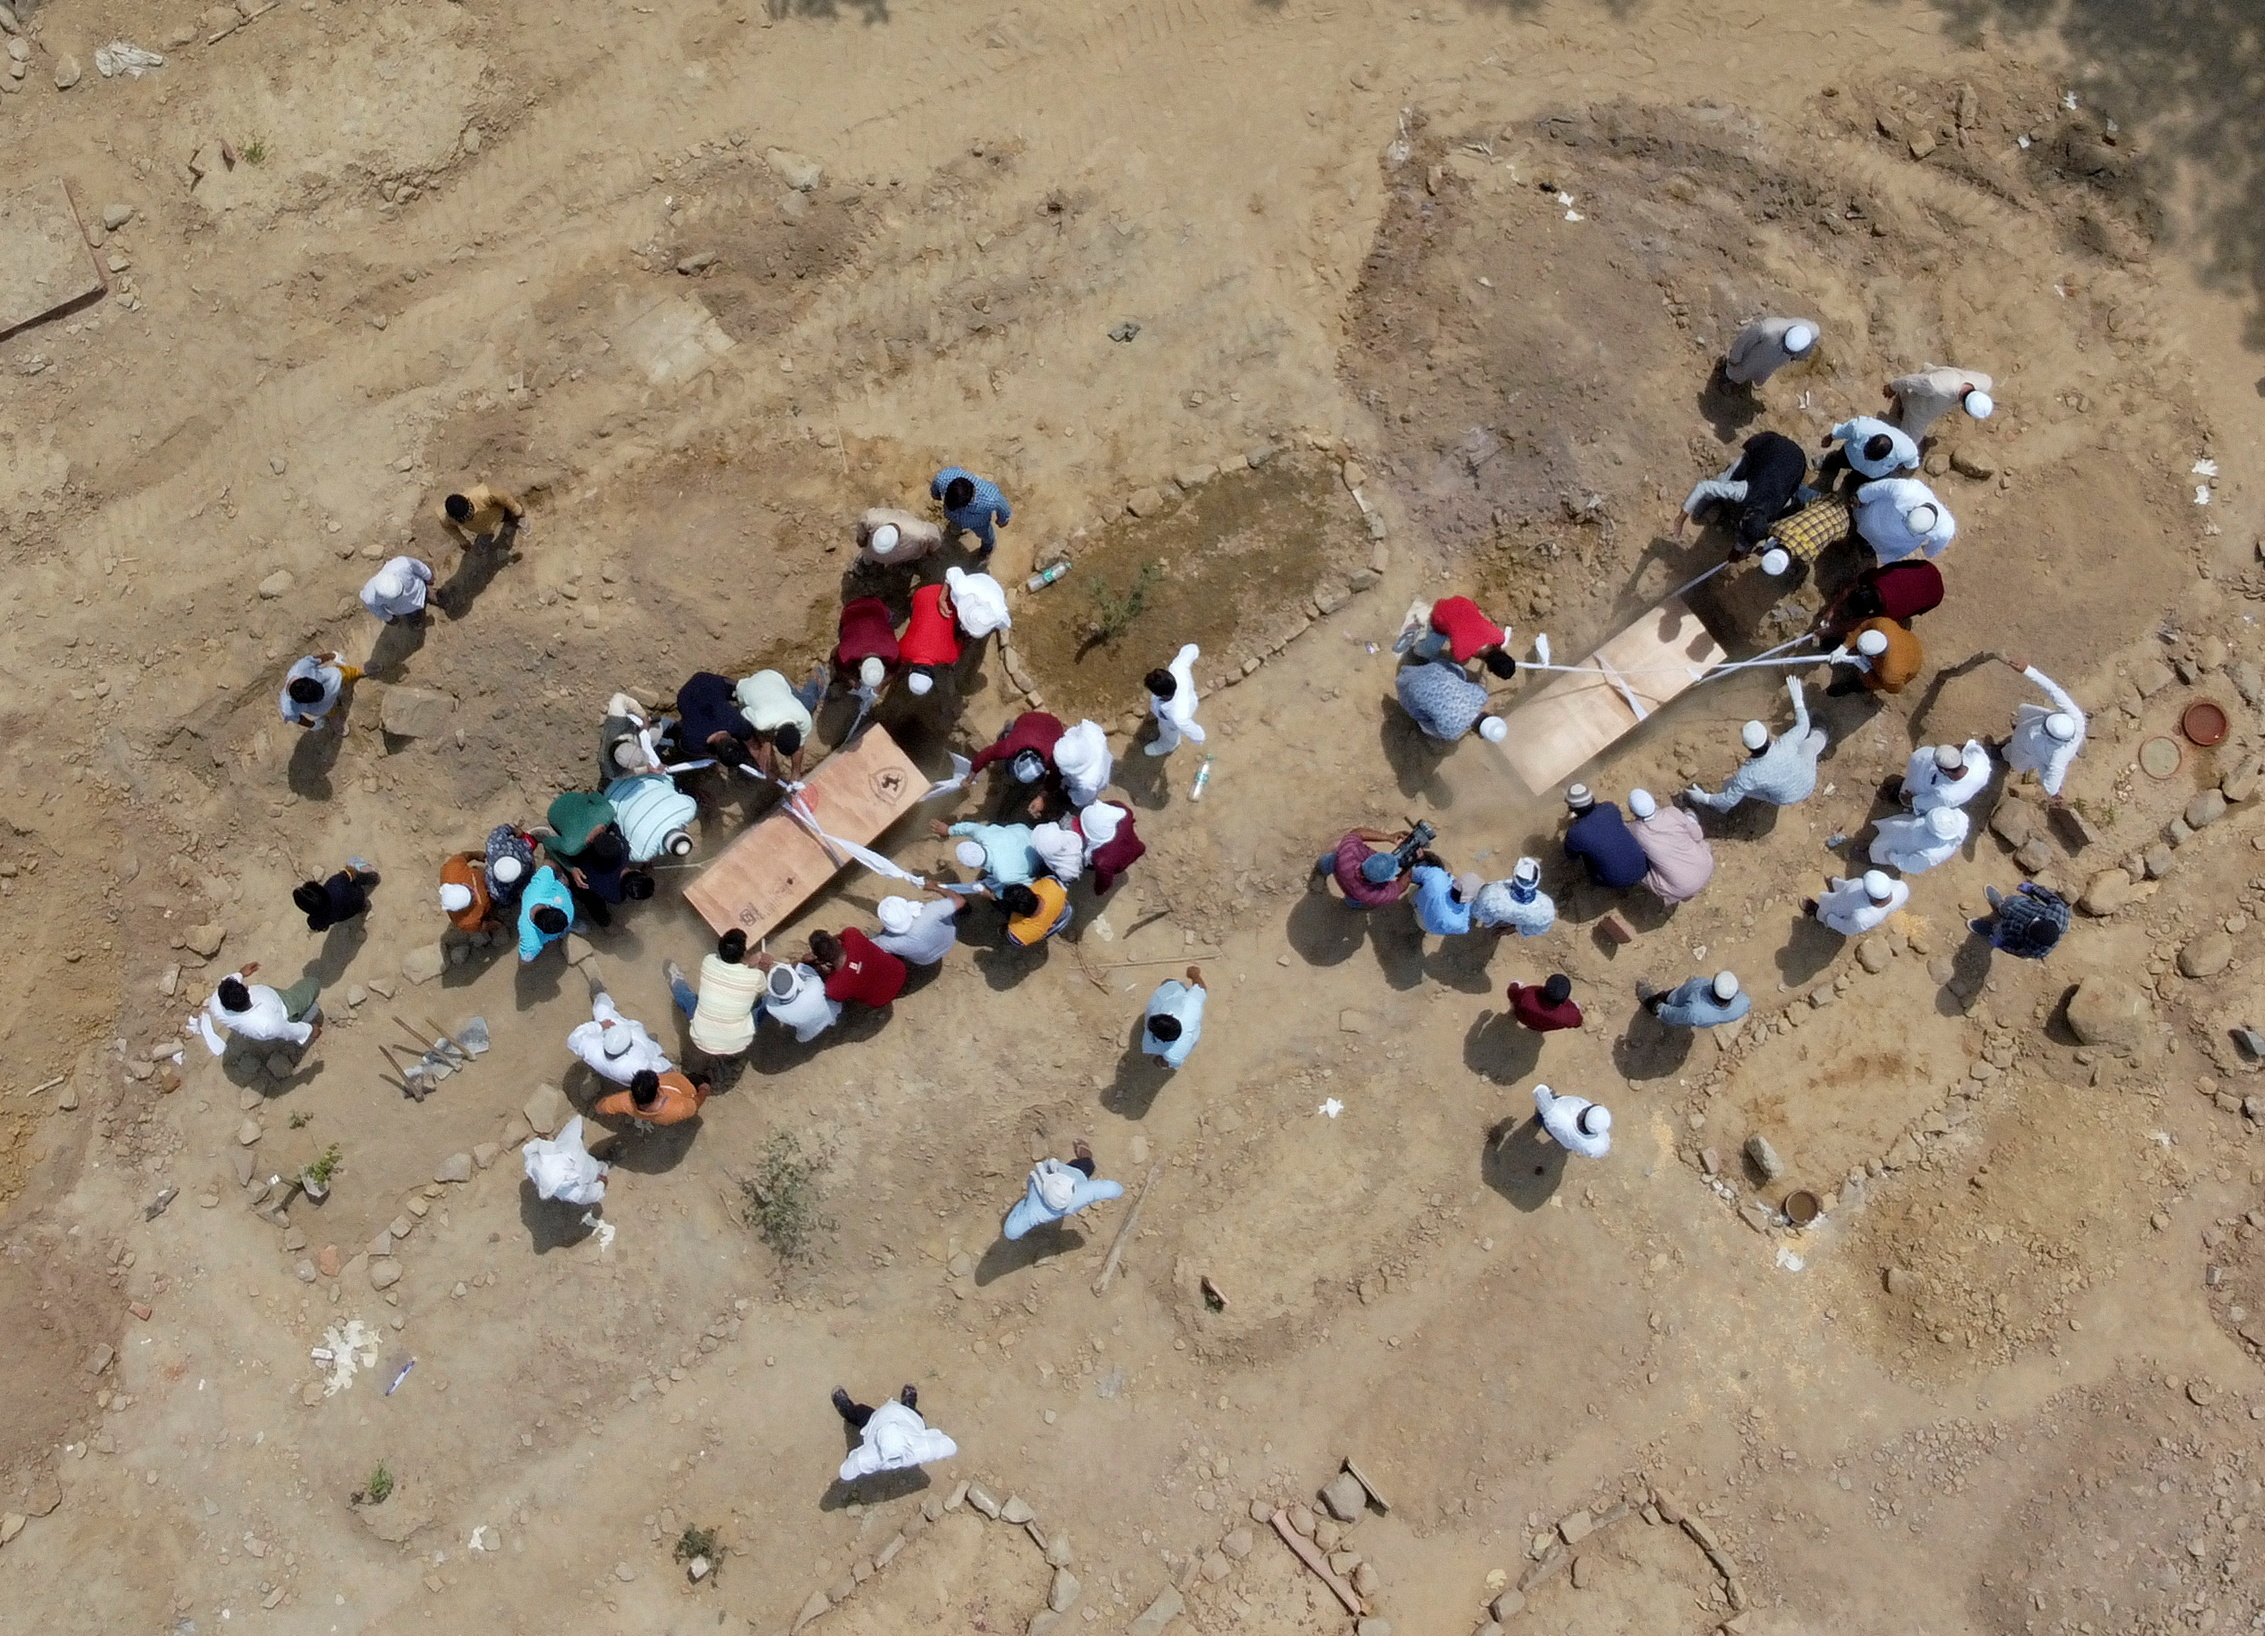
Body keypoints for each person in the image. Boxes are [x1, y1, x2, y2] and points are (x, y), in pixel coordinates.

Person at [1685, 680, 1826, 812]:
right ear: (1767, 736)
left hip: (1787, 797)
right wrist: (1798, 701)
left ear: (1746, 746)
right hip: (1808, 781)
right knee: (1810, 744)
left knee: (1730, 785)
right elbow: (1803, 725)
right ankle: (1823, 731)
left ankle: (1717, 810)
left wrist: (1704, 798)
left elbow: (1728, 799)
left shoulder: (1747, 775)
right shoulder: (1785, 744)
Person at [1676, 429, 1809, 551]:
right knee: (1722, 482)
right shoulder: (1745, 492)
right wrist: (1681, 517)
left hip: (1797, 462)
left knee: (1789, 490)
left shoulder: (1778, 507)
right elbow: (1703, 487)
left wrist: (1740, 550)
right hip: (1769, 445)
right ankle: (1709, 500)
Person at [665, 930, 766, 1062]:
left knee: (688, 998)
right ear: (744, 954)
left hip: (700, 1037)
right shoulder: (756, 976)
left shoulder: (709, 961)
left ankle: (675, 979)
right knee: (767, 1002)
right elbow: (763, 987)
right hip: (738, 1042)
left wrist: (746, 964)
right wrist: (753, 965)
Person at [1998, 656, 2086, 799]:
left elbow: (2051, 788)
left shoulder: (2059, 757)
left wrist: (2041, 765)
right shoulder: (2076, 719)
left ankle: (2001, 754)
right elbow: (2054, 691)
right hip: (2031, 726)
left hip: (2029, 750)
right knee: (2022, 724)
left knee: (2013, 757)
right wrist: (2028, 670)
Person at [567, 970, 673, 1084]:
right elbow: (661, 1070)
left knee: (601, 1010)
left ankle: (599, 994)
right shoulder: (639, 1065)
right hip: (641, 1057)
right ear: (628, 1048)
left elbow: (573, 1039)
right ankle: (652, 1043)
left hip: (610, 1067)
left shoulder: (592, 1048)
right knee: (648, 1044)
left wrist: (600, 1025)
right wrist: (662, 1059)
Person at [833, 1384, 957, 1480]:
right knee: (912, 1413)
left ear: (878, 1443)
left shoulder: (870, 1457)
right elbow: (950, 1446)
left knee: (860, 1413)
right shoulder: (921, 1449)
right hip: (906, 1418)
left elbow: (846, 1473)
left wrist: (859, 1453)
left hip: (876, 1421)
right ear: (907, 1440)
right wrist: (927, 1436)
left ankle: (847, 1409)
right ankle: (908, 1404)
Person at [1004, 1140, 1125, 1237]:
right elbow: (1114, 1189)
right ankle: (1084, 1152)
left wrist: (1024, 1204)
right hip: (1077, 1172)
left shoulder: (1034, 1209)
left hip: (1035, 1189)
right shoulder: (1079, 1195)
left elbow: (1011, 1232)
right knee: (1088, 1164)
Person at [1812, 558, 1944, 645]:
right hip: (1925, 569)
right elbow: (1852, 587)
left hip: (1932, 595)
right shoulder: (1878, 578)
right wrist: (1832, 610)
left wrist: (1833, 630)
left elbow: (1863, 623)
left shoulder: (1889, 612)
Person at [199, 964, 321, 1055]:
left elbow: (226, 985)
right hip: (286, 1007)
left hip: (273, 1002)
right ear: (247, 992)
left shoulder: (217, 1002)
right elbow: (287, 1030)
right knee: (312, 984)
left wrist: (240, 974)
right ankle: (301, 1016)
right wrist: (308, 1030)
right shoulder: (266, 1023)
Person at [1625, 788, 1712, 905]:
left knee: (1639, 870)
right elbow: (1698, 836)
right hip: (1705, 866)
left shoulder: (1635, 831)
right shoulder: (1672, 813)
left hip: (1681, 888)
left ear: (1632, 810)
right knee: (1690, 819)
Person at [736, 668, 823, 781]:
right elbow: (744, 712)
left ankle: (817, 679)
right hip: (747, 686)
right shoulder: (761, 722)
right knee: (746, 728)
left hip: (774, 677)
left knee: (807, 703)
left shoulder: (804, 717)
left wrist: (795, 774)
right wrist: (764, 743)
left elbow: (799, 747)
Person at [1562, 784, 1647, 889]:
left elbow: (1571, 856)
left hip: (1617, 881)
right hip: (1643, 867)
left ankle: (1598, 880)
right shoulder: (1610, 808)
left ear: (1571, 808)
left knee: (1586, 853)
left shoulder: (1575, 833)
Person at [1411, 596, 1519, 677]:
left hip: (1462, 603)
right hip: (1440, 613)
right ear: (1490, 669)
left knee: (1456, 631)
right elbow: (1455, 652)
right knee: (1424, 652)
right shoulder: (1461, 653)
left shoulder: (1499, 637)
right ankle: (1415, 642)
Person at [1853, 477, 1955, 562]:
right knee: (1864, 527)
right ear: (1913, 508)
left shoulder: (1945, 529)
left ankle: (1866, 546)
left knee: (1875, 544)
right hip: (1877, 517)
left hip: (1894, 541)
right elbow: (1883, 487)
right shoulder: (1910, 491)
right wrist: (1861, 496)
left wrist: (1929, 551)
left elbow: (1932, 550)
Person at [1885, 364, 1994, 441]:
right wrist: (1892, 387)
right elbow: (1910, 381)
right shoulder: (1938, 387)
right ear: (1965, 408)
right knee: (1908, 443)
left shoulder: (1985, 383)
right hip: (1918, 409)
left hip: (1937, 378)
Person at [1395, 657, 1491, 742]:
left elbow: (1478, 688)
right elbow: (1430, 727)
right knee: (1431, 727)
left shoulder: (1481, 696)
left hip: (1431, 670)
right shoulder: (1452, 733)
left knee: (1460, 674)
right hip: (1407, 691)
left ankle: (1427, 660)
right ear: (1476, 732)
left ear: (1489, 714)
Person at [810, 927, 908, 1009]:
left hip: (881, 999)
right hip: (899, 971)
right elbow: (841, 936)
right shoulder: (852, 935)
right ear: (838, 942)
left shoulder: (835, 988)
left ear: (821, 960)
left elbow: (834, 995)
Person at [1318, 827, 1416, 909]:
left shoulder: (1349, 852)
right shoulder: (1374, 895)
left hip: (1340, 866)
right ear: (1384, 880)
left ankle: (1322, 868)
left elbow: (1358, 832)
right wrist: (1411, 862)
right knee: (1355, 901)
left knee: (1331, 859)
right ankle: (1352, 905)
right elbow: (1400, 887)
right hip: (1355, 894)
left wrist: (1388, 837)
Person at [1970, 880, 2069, 959]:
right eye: (2034, 922)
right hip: (2021, 906)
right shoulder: (2060, 911)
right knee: (2008, 903)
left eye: (2030, 929)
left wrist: (2002, 944)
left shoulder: (2037, 950)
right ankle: (2000, 904)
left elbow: (2018, 951)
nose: (2029, 924)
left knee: (1999, 931)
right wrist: (2032, 888)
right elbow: (2049, 896)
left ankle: (1992, 930)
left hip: (2010, 929)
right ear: (2046, 919)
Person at [672, 671, 756, 764]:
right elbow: (753, 745)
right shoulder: (693, 742)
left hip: (704, 684)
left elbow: (752, 744)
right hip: (694, 690)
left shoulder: (736, 723)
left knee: (739, 691)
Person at [755, 956, 842, 1044]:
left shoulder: (775, 1010)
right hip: (829, 1015)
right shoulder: (814, 986)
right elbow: (802, 968)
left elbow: (770, 1001)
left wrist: (768, 970)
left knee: (801, 1038)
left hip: (808, 1032)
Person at [898, 580, 964, 696]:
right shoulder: (903, 652)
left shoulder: (949, 656)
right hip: (922, 594)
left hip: (951, 598)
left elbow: (960, 644)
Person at [1826, 621, 1923, 697]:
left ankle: (1853, 686)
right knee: (1851, 643)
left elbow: (1893, 689)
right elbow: (1864, 626)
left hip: (1910, 663)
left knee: (1866, 681)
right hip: (1909, 641)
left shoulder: (1890, 673)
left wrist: (1866, 670)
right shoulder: (1883, 625)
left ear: (1874, 657)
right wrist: (1845, 646)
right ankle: (1837, 644)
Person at [593, 1066, 711, 1128]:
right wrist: (704, 1089)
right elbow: (696, 1103)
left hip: (676, 1083)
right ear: (659, 1090)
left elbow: (601, 1107)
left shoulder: (626, 1101)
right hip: (688, 1087)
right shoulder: (680, 1108)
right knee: (701, 1079)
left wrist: (596, 1109)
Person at [931, 466, 1012, 555]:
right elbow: (935, 490)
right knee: (955, 525)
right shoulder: (943, 478)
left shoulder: (990, 498)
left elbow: (1003, 507)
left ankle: (987, 547)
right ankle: (956, 530)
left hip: (979, 524)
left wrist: (1003, 519)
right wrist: (1002, 521)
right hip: (954, 517)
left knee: (986, 536)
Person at [1868, 803, 1967, 875]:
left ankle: (1869, 856)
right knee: (1892, 826)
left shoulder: (1931, 854)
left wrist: (1892, 856)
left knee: (1879, 849)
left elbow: (1910, 865)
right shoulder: (1959, 817)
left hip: (1902, 847)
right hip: (1906, 825)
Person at [967, 710, 1066, 781]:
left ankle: (1011, 727)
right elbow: (987, 754)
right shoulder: (1009, 746)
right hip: (1036, 720)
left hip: (1050, 724)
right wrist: (972, 773)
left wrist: (1041, 797)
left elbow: (1055, 779)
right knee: (1010, 728)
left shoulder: (1053, 760)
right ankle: (1010, 727)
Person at [1145, 644, 1206, 756]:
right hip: (1189, 701)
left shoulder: (1178, 716)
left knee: (1169, 733)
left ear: (1161, 695)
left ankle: (1168, 745)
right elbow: (1192, 649)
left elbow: (1196, 733)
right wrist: (1194, 650)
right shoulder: (1178, 667)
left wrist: (1199, 739)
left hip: (1172, 723)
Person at [874, 889, 962, 966]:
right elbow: (959, 900)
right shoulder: (932, 911)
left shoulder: (889, 942)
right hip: (948, 943)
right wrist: (937, 888)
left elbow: (870, 946)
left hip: (925, 960)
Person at [938, 819, 1041, 885]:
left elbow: (1030, 884)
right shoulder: (983, 834)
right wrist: (949, 829)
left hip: (1040, 859)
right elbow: (970, 828)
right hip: (1030, 832)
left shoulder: (1004, 876)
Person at [279, 652, 363, 732]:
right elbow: (298, 718)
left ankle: (357, 671)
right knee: (329, 710)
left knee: (346, 673)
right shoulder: (288, 709)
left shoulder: (302, 667)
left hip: (333, 678)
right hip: (324, 708)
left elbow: (319, 659)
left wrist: (333, 656)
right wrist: (312, 725)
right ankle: (333, 714)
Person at [1818, 417, 1919, 483]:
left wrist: (1902, 472)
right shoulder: (1861, 427)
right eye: (1866, 453)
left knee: (1857, 482)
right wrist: (1831, 437)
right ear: (1870, 439)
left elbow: (1912, 463)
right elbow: (1843, 430)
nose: (1866, 458)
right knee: (1836, 460)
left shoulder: (1907, 450)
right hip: (1848, 456)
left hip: (1871, 475)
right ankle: (1827, 462)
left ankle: (1851, 484)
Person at [1723, 316, 1819, 386]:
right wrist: (1734, 358)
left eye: (1790, 351)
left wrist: (1799, 357)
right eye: (1786, 348)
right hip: (1759, 351)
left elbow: (1804, 352)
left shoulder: (1812, 332)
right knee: (1743, 369)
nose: (1786, 351)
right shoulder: (1767, 330)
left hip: (1776, 360)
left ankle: (1754, 380)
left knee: (1765, 372)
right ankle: (1729, 378)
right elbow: (1743, 342)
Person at [1142, 967, 1206, 1068]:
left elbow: (1165, 1062)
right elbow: (1201, 989)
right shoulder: (1191, 1007)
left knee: (1168, 984)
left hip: (1168, 999)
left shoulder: (1173, 1054)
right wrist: (1194, 975)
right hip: (1190, 1035)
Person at [1472, 859, 1556, 937]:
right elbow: (1540, 928)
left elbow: (1479, 912)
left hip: (1495, 915)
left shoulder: (1491, 894)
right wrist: (1513, 929)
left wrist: (1490, 921)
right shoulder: (1546, 908)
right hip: (1521, 921)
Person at [1813, 869, 1909, 935]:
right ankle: (1834, 883)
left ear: (1867, 893)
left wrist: (1830, 918)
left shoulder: (1862, 918)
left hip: (1845, 905)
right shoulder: (1902, 888)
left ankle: (1816, 912)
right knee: (1846, 886)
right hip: (1849, 890)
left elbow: (1846, 928)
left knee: (1828, 907)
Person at [1641, 970, 1751, 1028]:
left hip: (1676, 999)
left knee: (1664, 1001)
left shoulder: (1695, 1011)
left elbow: (1672, 1014)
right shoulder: (1744, 1002)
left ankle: (1649, 1002)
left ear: (1712, 987)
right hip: (1703, 1017)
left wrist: (1659, 1007)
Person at [1903, 740, 1990, 812]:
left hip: (1951, 797)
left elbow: (1923, 803)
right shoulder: (1978, 760)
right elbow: (1973, 746)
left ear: (1944, 770)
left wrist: (1910, 800)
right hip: (1979, 782)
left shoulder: (1945, 794)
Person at [1077, 801, 1145, 893]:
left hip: (1120, 864)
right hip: (1137, 847)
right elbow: (1113, 804)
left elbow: (1104, 882)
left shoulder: (1101, 861)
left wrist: (1099, 891)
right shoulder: (1124, 812)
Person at [834, 597, 902, 687]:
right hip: (855, 607)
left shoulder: (892, 651)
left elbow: (895, 669)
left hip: (870, 605)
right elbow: (895, 670)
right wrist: (853, 682)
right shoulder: (846, 653)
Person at [1531, 1083, 1611, 1158]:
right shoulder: (1599, 1147)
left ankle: (1538, 1120)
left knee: (1542, 1115)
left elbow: (1540, 1096)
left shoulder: (1557, 1113)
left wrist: (1545, 1089)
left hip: (1552, 1116)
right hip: (1566, 1140)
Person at [516, 865, 575, 961]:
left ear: (549, 907)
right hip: (557, 930)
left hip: (563, 893)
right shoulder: (569, 913)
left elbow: (548, 866)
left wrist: (560, 874)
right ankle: (565, 931)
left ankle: (565, 930)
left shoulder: (540, 886)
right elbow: (525, 959)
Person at [995, 876, 1072, 947]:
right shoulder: (1050, 884)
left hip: (1048, 925)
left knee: (998, 904)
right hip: (1063, 912)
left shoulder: (1019, 935)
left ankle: (1006, 925)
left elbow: (1016, 942)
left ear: (1018, 912)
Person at [439, 484, 524, 547]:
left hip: (500, 514)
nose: (470, 517)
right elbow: (449, 527)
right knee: (485, 532)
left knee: (512, 516)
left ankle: (519, 520)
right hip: (481, 529)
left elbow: (504, 498)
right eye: (465, 519)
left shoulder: (482, 495)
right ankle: (486, 535)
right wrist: (462, 541)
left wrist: (517, 510)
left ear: (468, 500)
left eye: (470, 512)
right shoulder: (446, 518)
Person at [1053, 719, 1113, 808]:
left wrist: (1069, 795)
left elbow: (1081, 798)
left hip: (1092, 784)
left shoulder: (1088, 783)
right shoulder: (1089, 730)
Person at [856, 506, 944, 566]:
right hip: (903, 557)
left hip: (870, 553)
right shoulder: (919, 533)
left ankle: (865, 563)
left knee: (868, 558)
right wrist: (931, 550)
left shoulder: (871, 518)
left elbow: (861, 536)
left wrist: (861, 538)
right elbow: (936, 536)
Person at [438, 850, 499, 935]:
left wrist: (476, 855)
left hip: (483, 876)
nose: (473, 892)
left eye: (468, 889)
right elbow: (481, 926)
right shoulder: (467, 923)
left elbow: (464, 856)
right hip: (490, 901)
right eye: (471, 898)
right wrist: (492, 925)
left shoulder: (452, 869)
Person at [944, 565, 1012, 639]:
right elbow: (952, 572)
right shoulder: (962, 589)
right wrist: (942, 598)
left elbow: (1005, 623)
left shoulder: (998, 614)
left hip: (994, 590)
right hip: (980, 581)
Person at [1411, 864, 1480, 936]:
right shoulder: (1459, 922)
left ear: (1455, 882)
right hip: (1426, 925)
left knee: (1415, 891)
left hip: (1417, 904)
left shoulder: (1436, 875)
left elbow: (1413, 874)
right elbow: (1464, 929)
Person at [359, 556, 434, 622]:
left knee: (427, 593)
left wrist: (428, 576)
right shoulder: (370, 598)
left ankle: (429, 594)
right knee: (414, 615)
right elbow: (379, 611)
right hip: (405, 609)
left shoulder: (402, 565)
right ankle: (416, 618)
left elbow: (419, 567)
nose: (404, 594)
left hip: (419, 589)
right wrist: (389, 619)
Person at [1505, 973, 1581, 1032]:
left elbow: (1512, 993)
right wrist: (1574, 1007)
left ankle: (1512, 1012)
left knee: (1516, 1003)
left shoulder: (1527, 995)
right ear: (1564, 999)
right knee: (1576, 1006)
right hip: (1541, 1027)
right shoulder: (1569, 1015)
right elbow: (1577, 1022)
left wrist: (1515, 984)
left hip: (1522, 1017)